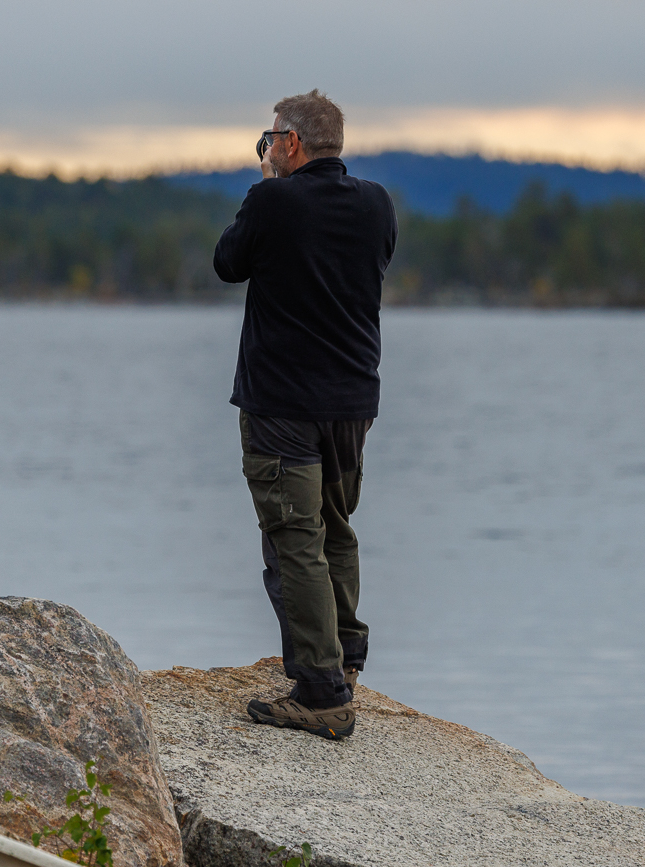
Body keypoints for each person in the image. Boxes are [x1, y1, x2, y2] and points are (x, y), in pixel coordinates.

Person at [213, 90, 397, 740]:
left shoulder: (273, 201)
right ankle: (343, 662)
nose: (265, 150)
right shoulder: (376, 204)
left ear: (290, 143)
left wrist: (268, 183)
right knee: (334, 527)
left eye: (269, 139)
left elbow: (227, 263)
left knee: (294, 540)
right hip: (352, 404)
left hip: (282, 404)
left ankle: (320, 693)